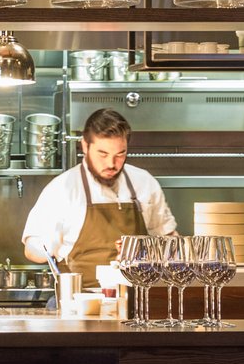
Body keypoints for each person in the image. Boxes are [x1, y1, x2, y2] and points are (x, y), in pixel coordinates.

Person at [21, 107, 178, 289]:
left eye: (120, 154)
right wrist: (46, 247)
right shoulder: (61, 189)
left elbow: (170, 241)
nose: (111, 164)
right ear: (85, 146)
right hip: (80, 298)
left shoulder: (144, 182)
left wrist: (145, 250)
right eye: (103, 154)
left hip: (139, 297)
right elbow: (31, 248)